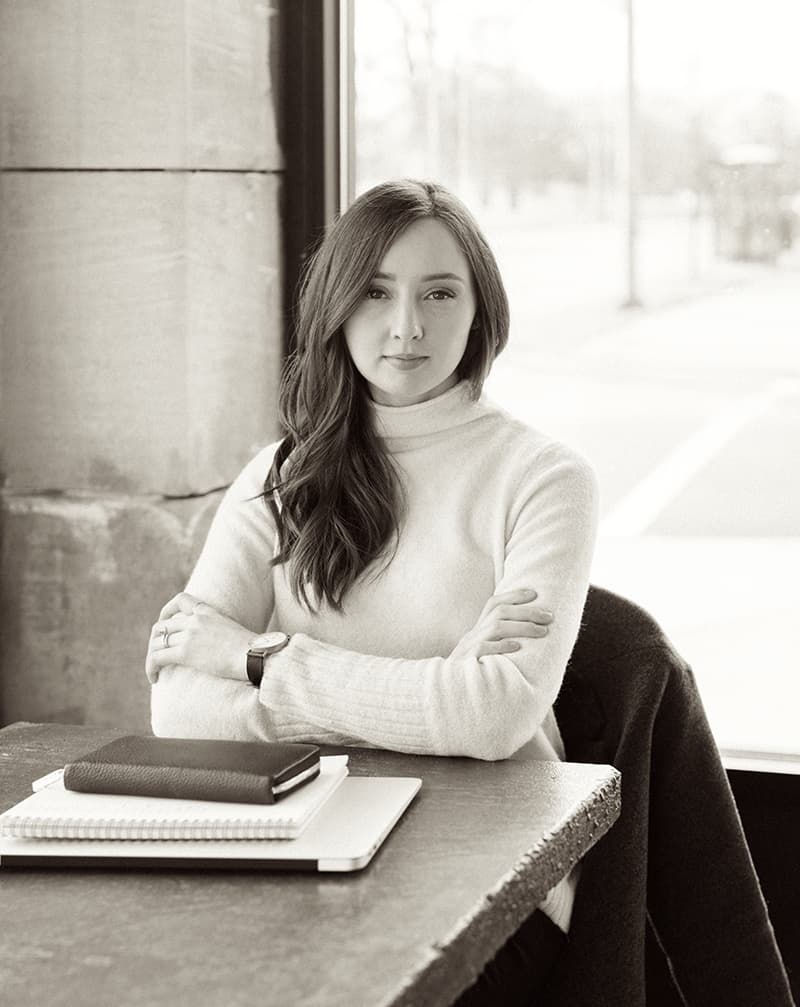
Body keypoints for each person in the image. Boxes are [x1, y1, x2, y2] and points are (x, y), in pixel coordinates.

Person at [145, 180, 794, 1006]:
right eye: (376, 291)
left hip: (492, 877)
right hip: (307, 848)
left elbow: (491, 717)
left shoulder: (542, 479)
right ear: (337, 306)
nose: (406, 325)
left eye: (438, 293)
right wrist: (432, 696)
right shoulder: (279, 479)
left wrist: (259, 658)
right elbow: (178, 707)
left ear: (479, 309)